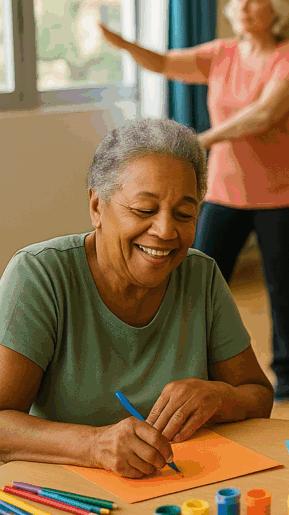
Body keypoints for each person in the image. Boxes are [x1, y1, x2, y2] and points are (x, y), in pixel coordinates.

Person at [0, 119, 274, 478]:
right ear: (97, 208)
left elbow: (258, 395)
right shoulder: (39, 275)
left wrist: (222, 397)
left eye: (185, 214)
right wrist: (94, 445)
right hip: (66, 496)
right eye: (144, 210)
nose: (165, 231)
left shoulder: (200, 275)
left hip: (180, 490)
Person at [102, 0, 289, 400]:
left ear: (278, 8)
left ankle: (286, 371)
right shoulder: (223, 54)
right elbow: (162, 62)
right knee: (192, 274)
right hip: (224, 190)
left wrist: (202, 140)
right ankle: (185, 361)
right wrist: (121, 43)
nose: (243, 5)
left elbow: (265, 114)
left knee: (281, 284)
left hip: (280, 195)